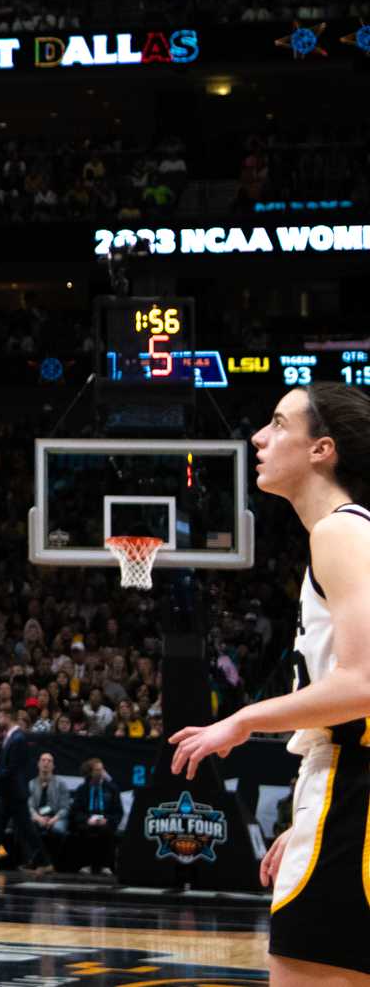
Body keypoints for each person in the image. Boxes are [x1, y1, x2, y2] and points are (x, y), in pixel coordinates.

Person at [171, 384, 370, 982]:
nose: (260, 437)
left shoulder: (341, 533)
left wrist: (241, 719)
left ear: (321, 449)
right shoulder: (351, 532)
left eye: (279, 424)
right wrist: (308, 816)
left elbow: (363, 682)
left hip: (353, 791)